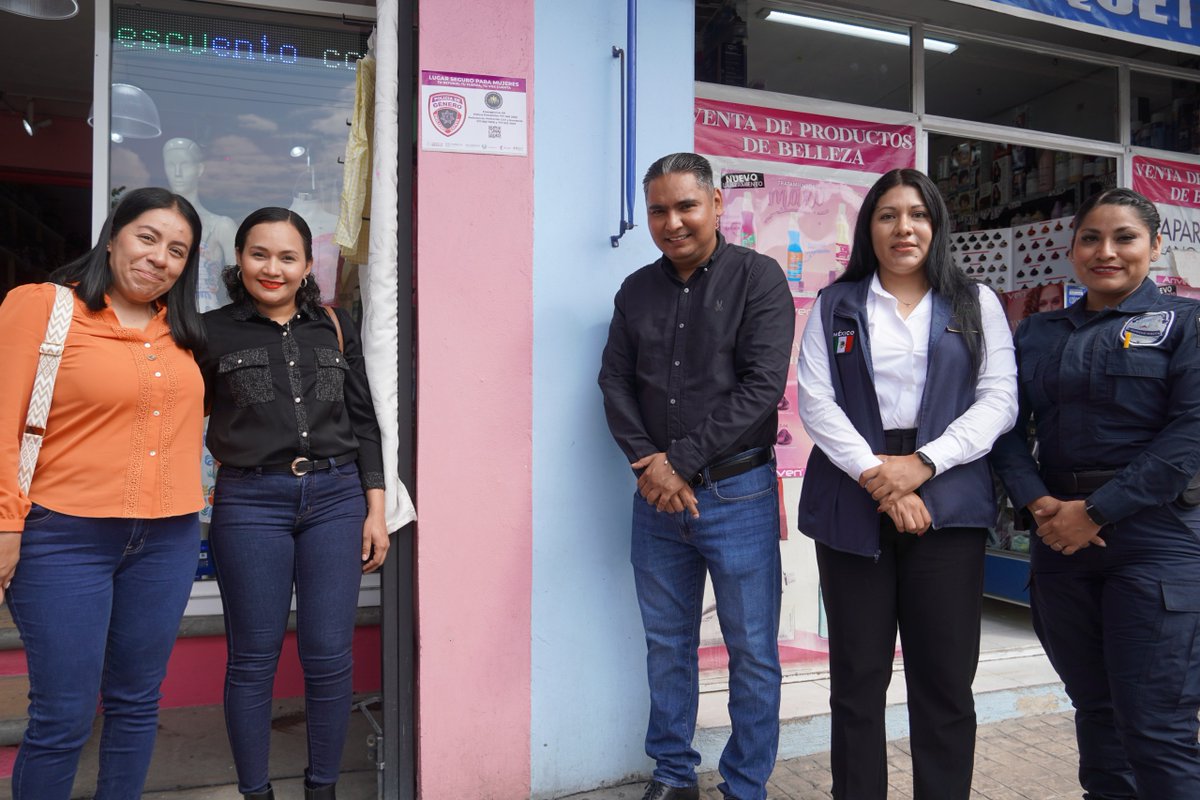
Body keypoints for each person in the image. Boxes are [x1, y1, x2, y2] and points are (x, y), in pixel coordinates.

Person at [795, 168, 1018, 799]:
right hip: (852, 489)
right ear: (870, 228)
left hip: (948, 489)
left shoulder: (976, 302)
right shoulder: (835, 303)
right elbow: (816, 400)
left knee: (944, 680)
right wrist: (878, 476)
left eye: (917, 214)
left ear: (937, 224)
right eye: (888, 215)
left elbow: (999, 400)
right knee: (858, 679)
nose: (904, 228)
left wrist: (921, 465)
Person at [990, 188, 1200, 799]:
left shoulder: (1186, 325)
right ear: (1073, 247)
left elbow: (1189, 435)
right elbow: (1004, 424)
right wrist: (1040, 506)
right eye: (1090, 238)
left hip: (1154, 541)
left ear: (1155, 247)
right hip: (1058, 540)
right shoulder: (1036, 331)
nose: (1105, 251)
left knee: (1157, 727)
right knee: (1096, 713)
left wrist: (1097, 511)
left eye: (1124, 238)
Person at [0, 187, 207, 799]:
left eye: (177, 250)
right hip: (65, 537)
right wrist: (8, 524)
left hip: (168, 537)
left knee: (137, 703)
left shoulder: (185, 334)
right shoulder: (42, 307)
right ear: (113, 235)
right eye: (147, 237)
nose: (160, 258)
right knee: (62, 715)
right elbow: (4, 424)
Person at [598, 153, 794, 800]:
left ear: (715, 204)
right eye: (659, 209)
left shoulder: (758, 279)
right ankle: (673, 775)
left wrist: (675, 463)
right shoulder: (635, 291)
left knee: (753, 652)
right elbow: (615, 382)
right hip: (655, 500)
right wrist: (647, 463)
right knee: (667, 645)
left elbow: (761, 388)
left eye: (686, 205)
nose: (673, 222)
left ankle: (743, 786)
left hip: (738, 492)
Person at [196, 207, 389, 800]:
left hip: (335, 499)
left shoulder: (334, 326)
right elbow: (175, 419)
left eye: (287, 257)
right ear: (239, 259)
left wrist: (375, 508)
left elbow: (364, 420)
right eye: (259, 254)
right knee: (253, 660)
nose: (272, 268)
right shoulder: (207, 332)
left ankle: (321, 789)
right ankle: (256, 792)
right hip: (249, 502)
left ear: (309, 265)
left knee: (328, 657)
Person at [163, 137, 238, 312]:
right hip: (162, 318)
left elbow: (239, 288)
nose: (178, 172)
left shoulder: (221, 226)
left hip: (207, 319)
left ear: (199, 169)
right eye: (170, 164)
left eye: (185, 164)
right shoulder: (154, 225)